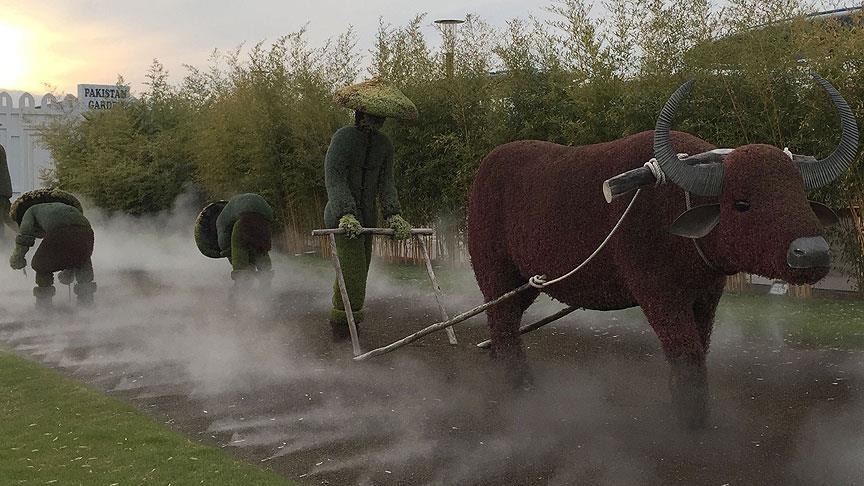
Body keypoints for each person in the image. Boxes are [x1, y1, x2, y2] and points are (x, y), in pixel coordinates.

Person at [324, 77, 417, 333]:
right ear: (360, 113)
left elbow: (386, 183)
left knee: (360, 267)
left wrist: (393, 214)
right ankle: (343, 324)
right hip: (341, 216)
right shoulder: (342, 139)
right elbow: (334, 178)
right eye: (372, 115)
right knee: (353, 267)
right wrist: (346, 213)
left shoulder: (384, 146)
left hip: (368, 216)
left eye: (380, 117)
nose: (376, 121)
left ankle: (343, 313)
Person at [8, 189, 96, 308]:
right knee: (82, 261)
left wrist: (18, 258)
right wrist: (69, 270)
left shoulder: (30, 210)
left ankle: (44, 306)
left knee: (40, 265)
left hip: (59, 231)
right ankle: (87, 304)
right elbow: (72, 249)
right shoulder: (65, 207)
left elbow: (25, 237)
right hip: (86, 231)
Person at [194, 193, 274, 288]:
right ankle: (265, 280)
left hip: (245, 217)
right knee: (260, 249)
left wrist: (228, 253)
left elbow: (225, 243)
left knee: (239, 248)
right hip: (265, 218)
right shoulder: (231, 209)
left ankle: (241, 285)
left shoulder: (220, 220)